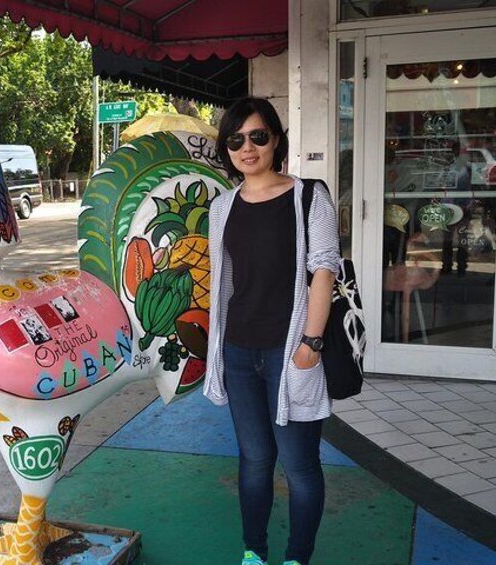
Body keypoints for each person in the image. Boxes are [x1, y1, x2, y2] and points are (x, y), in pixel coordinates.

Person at [203, 97, 341, 565]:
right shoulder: (222, 207)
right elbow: (223, 280)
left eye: (258, 136)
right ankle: (254, 552)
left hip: (292, 350)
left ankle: (297, 557)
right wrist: (217, 349)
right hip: (238, 351)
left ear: (276, 139)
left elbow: (324, 270)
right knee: (255, 460)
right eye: (236, 139)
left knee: (299, 466)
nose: (247, 147)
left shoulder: (309, 197)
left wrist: (311, 344)